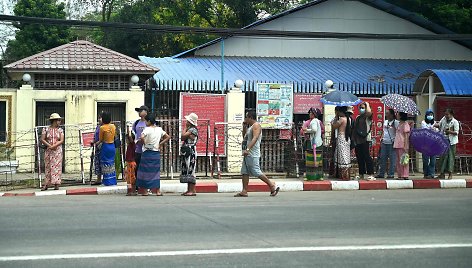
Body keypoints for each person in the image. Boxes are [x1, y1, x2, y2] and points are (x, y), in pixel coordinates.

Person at [234, 111, 280, 197]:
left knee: (256, 171)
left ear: (250, 117)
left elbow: (255, 138)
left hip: (252, 153)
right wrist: (244, 126)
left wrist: (248, 149)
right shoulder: (250, 127)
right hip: (247, 153)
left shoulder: (256, 126)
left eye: (246, 117)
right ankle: (244, 191)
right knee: (245, 172)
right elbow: (245, 137)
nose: (245, 119)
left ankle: (272, 186)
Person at [136, 113, 170, 196]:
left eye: (146, 121)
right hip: (156, 153)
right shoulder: (159, 129)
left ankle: (145, 191)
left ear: (149, 121)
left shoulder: (146, 129)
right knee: (155, 172)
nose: (145, 123)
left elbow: (142, 137)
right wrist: (160, 144)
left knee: (144, 171)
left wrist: (145, 144)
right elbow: (168, 137)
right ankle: (157, 191)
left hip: (147, 152)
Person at [40, 113, 64, 191]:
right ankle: (46, 184)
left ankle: (56, 184)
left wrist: (55, 145)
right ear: (54, 121)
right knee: (48, 167)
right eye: (58, 120)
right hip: (49, 150)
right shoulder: (46, 129)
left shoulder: (60, 130)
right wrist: (50, 145)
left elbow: (61, 140)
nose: (59, 122)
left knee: (57, 167)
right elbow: (42, 139)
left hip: (57, 151)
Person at [352, 102, 375, 181]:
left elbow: (369, 112)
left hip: (365, 139)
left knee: (366, 156)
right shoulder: (358, 117)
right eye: (360, 108)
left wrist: (367, 104)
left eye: (363, 108)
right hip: (358, 140)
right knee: (359, 157)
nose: (361, 109)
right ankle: (361, 174)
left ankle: (371, 174)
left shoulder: (368, 117)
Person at [437, 108, 459, 180]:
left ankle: (450, 174)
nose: (446, 116)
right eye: (445, 114)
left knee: (450, 158)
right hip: (444, 141)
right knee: (442, 157)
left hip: (451, 142)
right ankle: (442, 174)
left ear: (451, 114)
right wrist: (433, 125)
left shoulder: (455, 122)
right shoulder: (443, 119)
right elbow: (439, 125)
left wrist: (449, 132)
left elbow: (456, 132)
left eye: (447, 114)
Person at [376, 109, 399, 179]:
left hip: (392, 143)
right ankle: (381, 173)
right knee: (382, 159)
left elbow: (398, 132)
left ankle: (391, 174)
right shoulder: (385, 122)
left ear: (392, 115)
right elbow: (383, 131)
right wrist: (381, 138)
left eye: (388, 113)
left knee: (392, 159)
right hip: (384, 142)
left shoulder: (396, 122)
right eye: (386, 113)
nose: (386, 115)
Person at [180, 113, 199, 196]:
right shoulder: (190, 129)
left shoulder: (193, 130)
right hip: (187, 151)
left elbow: (183, 136)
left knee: (191, 169)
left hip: (191, 151)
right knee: (188, 169)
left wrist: (185, 128)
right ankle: (189, 189)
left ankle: (191, 190)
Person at [331, 106, 352, 181]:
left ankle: (343, 175)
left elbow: (334, 126)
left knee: (342, 156)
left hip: (341, 138)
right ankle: (346, 174)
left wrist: (336, 117)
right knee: (345, 155)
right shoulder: (348, 119)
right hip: (346, 139)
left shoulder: (342, 119)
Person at [302, 108, 323, 180]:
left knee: (311, 160)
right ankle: (319, 176)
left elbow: (314, 130)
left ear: (314, 114)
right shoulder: (318, 121)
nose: (309, 114)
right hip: (319, 142)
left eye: (311, 113)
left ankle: (311, 177)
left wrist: (306, 130)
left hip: (314, 143)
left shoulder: (313, 121)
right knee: (318, 160)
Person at [99, 111, 117, 186]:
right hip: (112, 146)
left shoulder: (102, 128)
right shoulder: (113, 126)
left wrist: (95, 143)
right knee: (111, 163)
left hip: (105, 146)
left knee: (105, 163)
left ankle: (106, 181)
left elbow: (101, 139)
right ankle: (112, 180)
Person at [421, 109, 439, 179]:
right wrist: (433, 128)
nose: (430, 116)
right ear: (426, 115)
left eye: (431, 115)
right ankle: (426, 173)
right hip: (425, 143)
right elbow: (425, 130)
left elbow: (437, 131)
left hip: (433, 143)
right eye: (428, 115)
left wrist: (434, 128)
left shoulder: (434, 122)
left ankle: (431, 174)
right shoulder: (423, 122)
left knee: (433, 160)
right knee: (425, 160)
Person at [132, 105, 149, 177]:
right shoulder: (136, 123)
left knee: (145, 168)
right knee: (137, 167)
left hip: (146, 149)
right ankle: (137, 184)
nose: (139, 112)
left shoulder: (148, 123)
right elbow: (133, 133)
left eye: (140, 111)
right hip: (137, 149)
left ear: (145, 112)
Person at [393, 112, 410, 180]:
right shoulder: (399, 124)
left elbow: (406, 136)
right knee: (398, 160)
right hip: (397, 144)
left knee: (404, 160)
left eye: (398, 114)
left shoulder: (405, 124)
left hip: (402, 144)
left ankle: (405, 174)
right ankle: (399, 174)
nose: (397, 115)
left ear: (401, 116)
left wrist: (405, 146)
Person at [91, 115, 103, 185]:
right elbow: (95, 136)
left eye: (100, 118)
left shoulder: (104, 127)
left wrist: (98, 142)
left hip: (102, 147)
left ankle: (104, 178)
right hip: (97, 147)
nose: (99, 119)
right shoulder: (98, 127)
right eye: (98, 118)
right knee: (97, 162)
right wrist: (93, 141)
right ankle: (98, 179)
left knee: (102, 162)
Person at [124, 130, 137, 196]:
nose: (126, 141)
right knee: (128, 178)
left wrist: (129, 132)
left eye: (127, 139)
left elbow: (131, 139)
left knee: (132, 178)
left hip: (131, 163)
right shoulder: (129, 145)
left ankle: (133, 191)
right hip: (128, 162)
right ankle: (129, 191)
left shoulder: (132, 144)